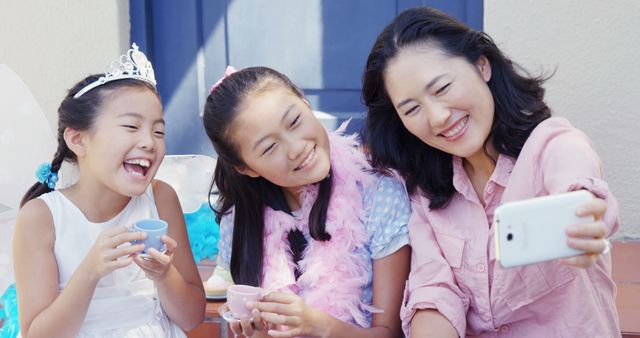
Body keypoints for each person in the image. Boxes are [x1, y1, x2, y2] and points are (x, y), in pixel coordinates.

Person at [362, 7, 620, 338]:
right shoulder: (425, 189)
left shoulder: (552, 144)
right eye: (412, 109)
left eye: (442, 88)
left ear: (482, 65)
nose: (438, 117)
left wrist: (587, 219)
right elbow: (435, 291)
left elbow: (583, 190)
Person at [13, 44, 206, 338]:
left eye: (158, 131)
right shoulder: (41, 217)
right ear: (78, 140)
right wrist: (90, 271)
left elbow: (192, 318)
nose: (149, 142)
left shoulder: (161, 198)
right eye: (131, 126)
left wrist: (165, 275)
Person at [203, 66, 410, 338]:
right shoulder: (241, 218)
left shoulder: (377, 194)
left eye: (294, 121)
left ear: (304, 101)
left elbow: (391, 333)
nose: (296, 148)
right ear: (245, 167)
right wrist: (257, 331)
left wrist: (319, 326)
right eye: (269, 148)